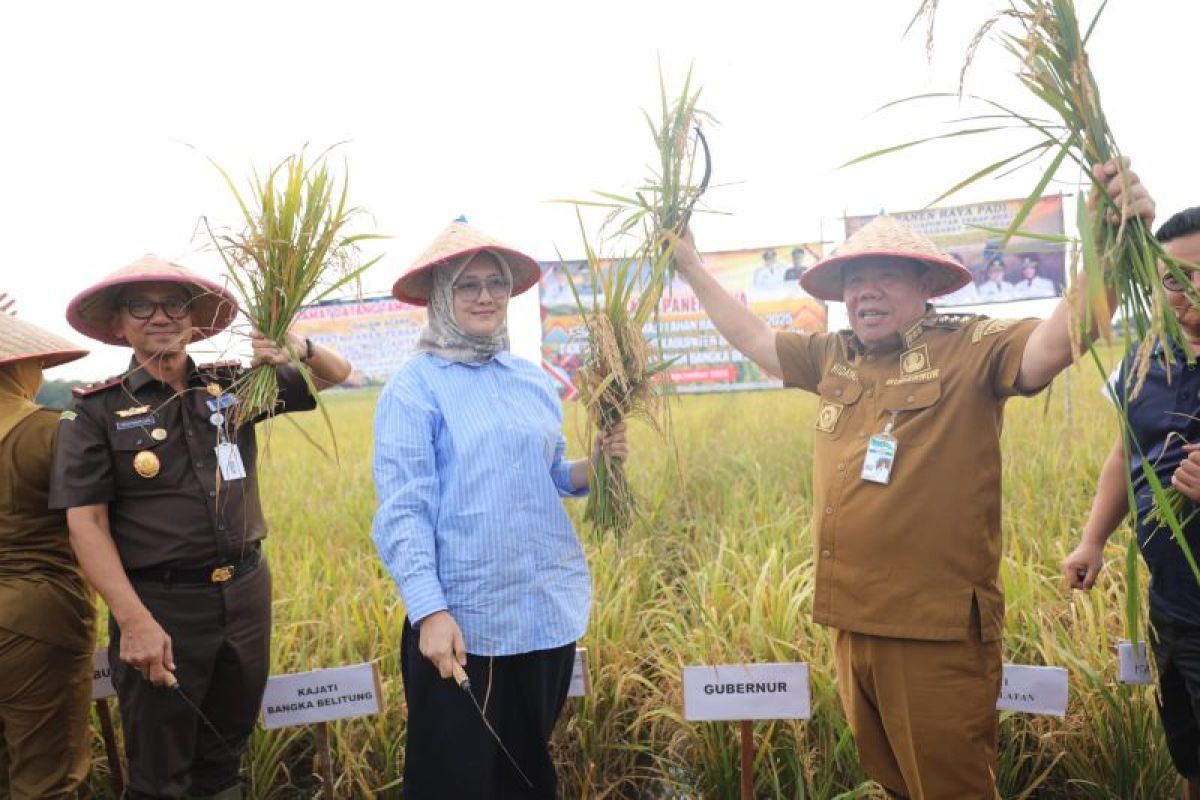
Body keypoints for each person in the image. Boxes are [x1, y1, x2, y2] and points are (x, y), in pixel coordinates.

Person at [669, 159, 1153, 799]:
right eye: (855, 280)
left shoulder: (972, 347)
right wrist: (692, 269)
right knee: (894, 784)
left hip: (934, 633)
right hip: (851, 624)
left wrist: (1112, 244)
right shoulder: (833, 356)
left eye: (885, 276)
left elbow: (1058, 342)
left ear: (925, 283)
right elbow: (755, 337)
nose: (866, 291)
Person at [49, 254, 352, 800]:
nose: (160, 316)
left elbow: (335, 376)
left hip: (244, 594)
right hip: (161, 607)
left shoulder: (233, 388)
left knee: (224, 755)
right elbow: (86, 526)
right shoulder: (94, 412)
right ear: (118, 325)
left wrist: (298, 348)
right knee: (159, 771)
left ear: (194, 320)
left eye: (175, 304)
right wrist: (134, 621)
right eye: (140, 305)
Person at [372, 219, 627, 799]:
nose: (486, 296)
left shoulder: (530, 380)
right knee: (454, 781)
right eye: (468, 285)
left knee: (529, 773)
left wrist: (599, 466)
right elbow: (403, 511)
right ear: (441, 295)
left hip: (541, 611)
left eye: (496, 283)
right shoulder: (415, 389)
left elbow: (551, 477)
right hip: (463, 623)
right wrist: (429, 613)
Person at [1063, 206, 1200, 800]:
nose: (1186, 291)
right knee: (1191, 754)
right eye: (1173, 277)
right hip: (1173, 607)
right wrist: (1093, 540)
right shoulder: (1143, 361)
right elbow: (1126, 456)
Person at [0, 311, 93, 799]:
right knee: (44, 776)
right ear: (21, 369)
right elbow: (97, 527)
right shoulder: (54, 432)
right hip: (36, 618)